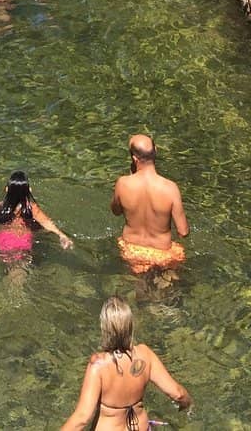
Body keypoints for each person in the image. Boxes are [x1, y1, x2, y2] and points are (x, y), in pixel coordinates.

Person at [59, 296, 191, 430]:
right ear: (130, 325)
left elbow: (82, 418)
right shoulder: (145, 354)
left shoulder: (98, 365)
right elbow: (178, 394)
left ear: (104, 327)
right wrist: (188, 407)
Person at [111, 134, 189, 275]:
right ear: (156, 150)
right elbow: (183, 232)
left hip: (131, 250)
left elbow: (116, 211)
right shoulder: (170, 188)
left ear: (134, 159)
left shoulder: (122, 183)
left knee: (137, 290)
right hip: (162, 255)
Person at [0, 170, 73, 258]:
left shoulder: (0, 206)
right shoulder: (32, 208)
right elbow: (47, 223)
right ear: (29, 190)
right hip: (22, 240)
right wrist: (62, 235)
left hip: (2, 238)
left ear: (7, 189)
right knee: (18, 275)